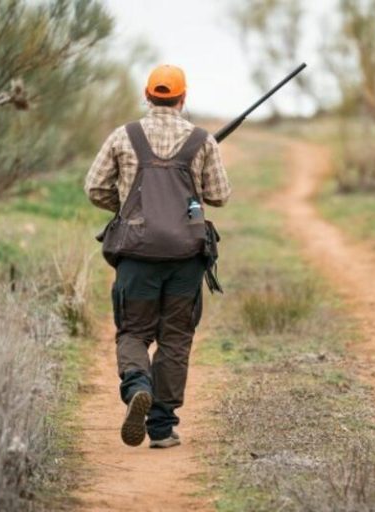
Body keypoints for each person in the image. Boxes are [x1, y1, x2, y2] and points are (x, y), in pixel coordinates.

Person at [84, 64, 230, 448]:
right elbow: (220, 195)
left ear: (147, 97)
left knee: (134, 330)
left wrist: (130, 209)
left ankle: (137, 388)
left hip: (136, 256)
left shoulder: (123, 136)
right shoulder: (201, 140)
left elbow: (95, 187)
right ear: (183, 98)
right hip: (185, 258)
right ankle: (162, 429)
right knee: (176, 337)